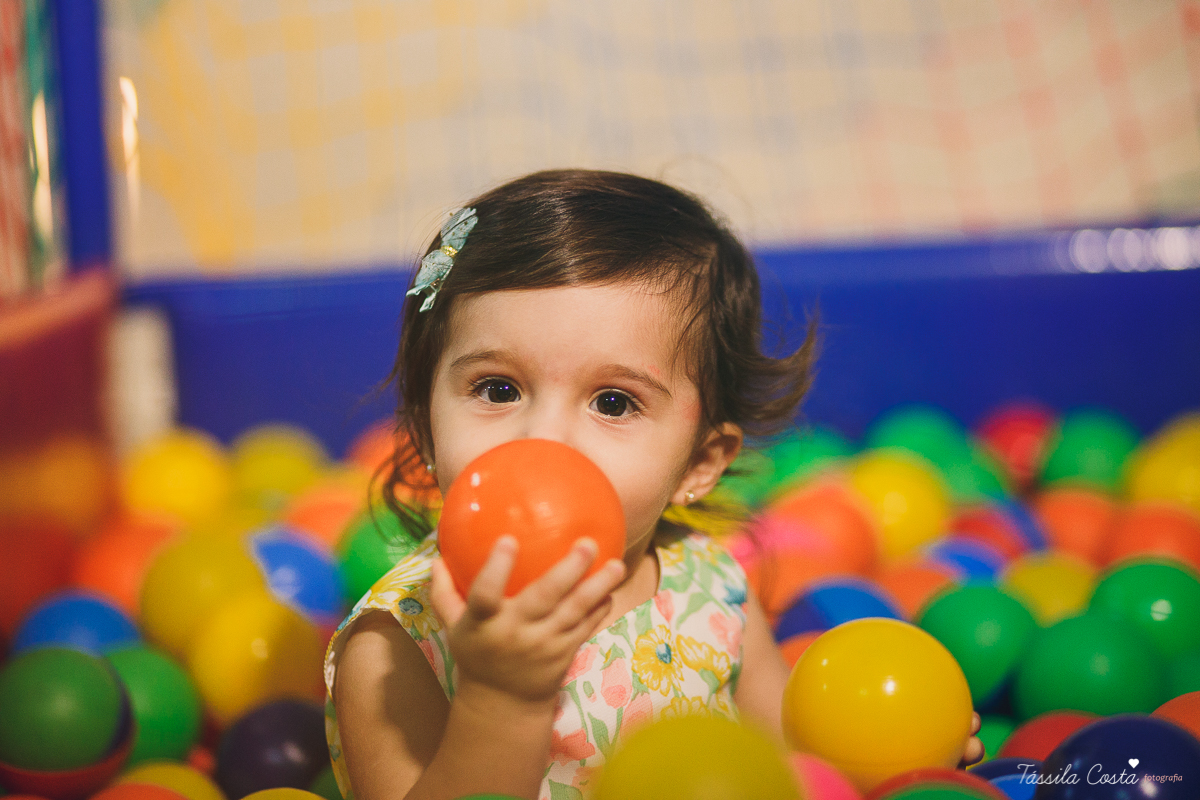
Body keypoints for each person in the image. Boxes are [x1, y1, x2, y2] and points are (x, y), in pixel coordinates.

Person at [325, 169, 982, 800]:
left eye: (613, 402)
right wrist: (501, 697)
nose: (544, 440)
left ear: (700, 463)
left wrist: (894, 755)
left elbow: (798, 768)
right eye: (498, 389)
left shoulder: (712, 591)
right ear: (423, 424)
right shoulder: (392, 647)